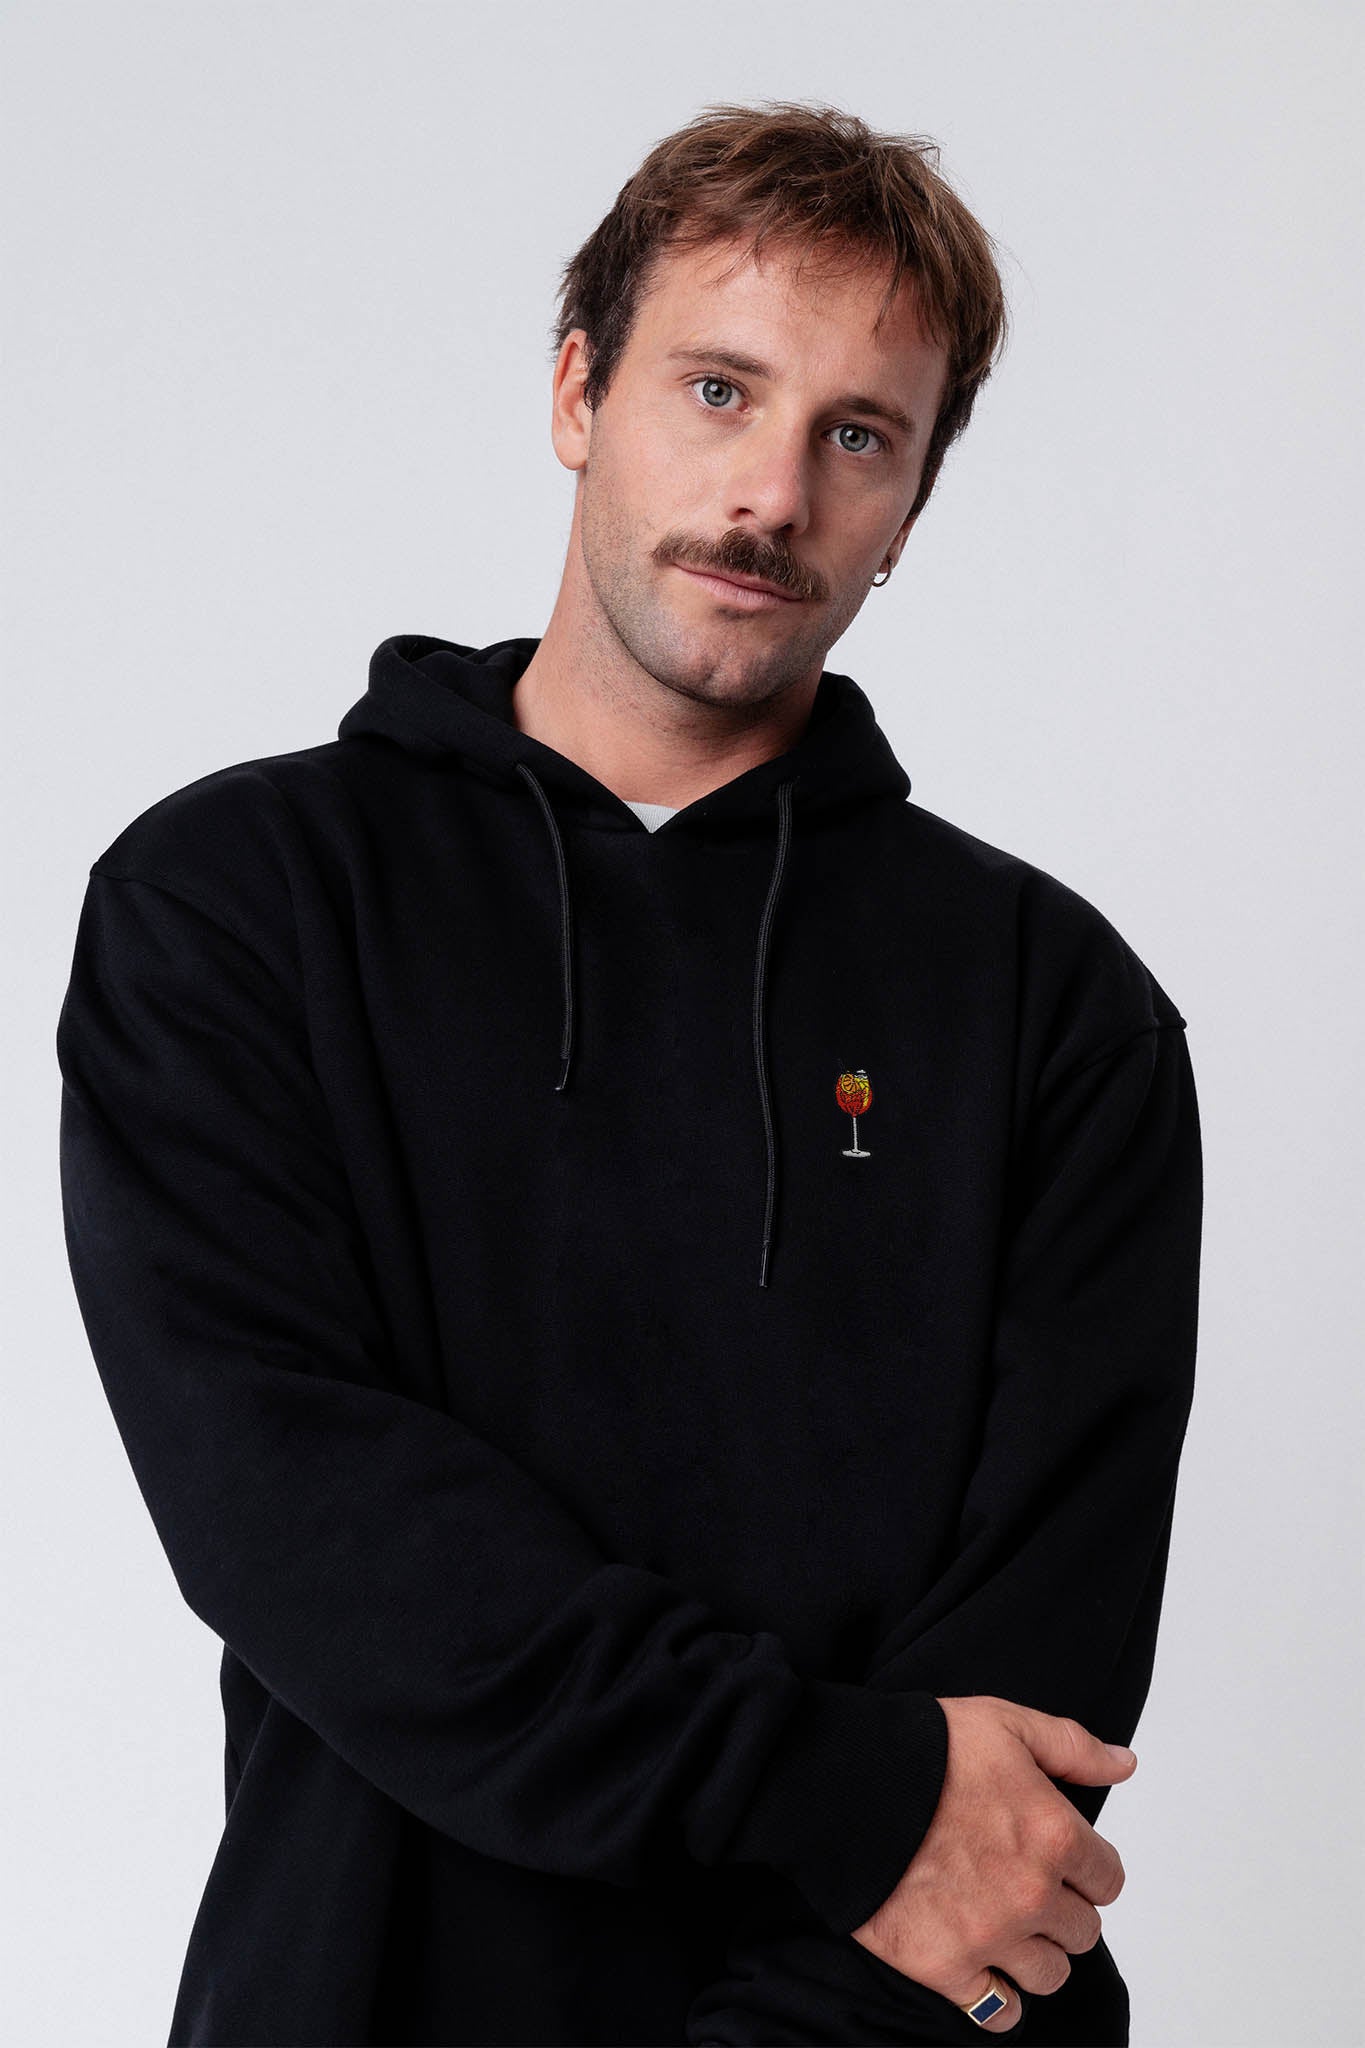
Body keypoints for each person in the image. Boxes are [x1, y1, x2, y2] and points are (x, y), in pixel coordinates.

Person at [55, 99, 1202, 2048]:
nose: (771, 494)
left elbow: (1027, 1729)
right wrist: (840, 1791)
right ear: (578, 391)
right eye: (717, 389)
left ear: (912, 507)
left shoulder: (1057, 1009)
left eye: (859, 436)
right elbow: (311, 1530)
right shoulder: (236, 908)